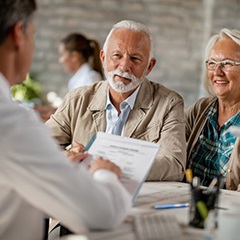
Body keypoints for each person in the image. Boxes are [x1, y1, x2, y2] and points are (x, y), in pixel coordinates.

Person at [0, 1, 131, 240]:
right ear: (19, 34)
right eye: (34, 36)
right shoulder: (13, 124)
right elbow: (102, 213)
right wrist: (103, 172)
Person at [46, 20, 186, 181]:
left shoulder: (169, 104)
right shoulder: (76, 99)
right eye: (117, 55)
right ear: (103, 57)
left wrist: (114, 167)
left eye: (135, 58)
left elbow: (174, 164)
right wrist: (66, 156)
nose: (124, 66)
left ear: (149, 66)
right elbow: (39, 145)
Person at [185, 28, 240, 190]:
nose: (217, 72)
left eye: (227, 64)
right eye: (212, 63)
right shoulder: (200, 109)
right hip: (185, 203)